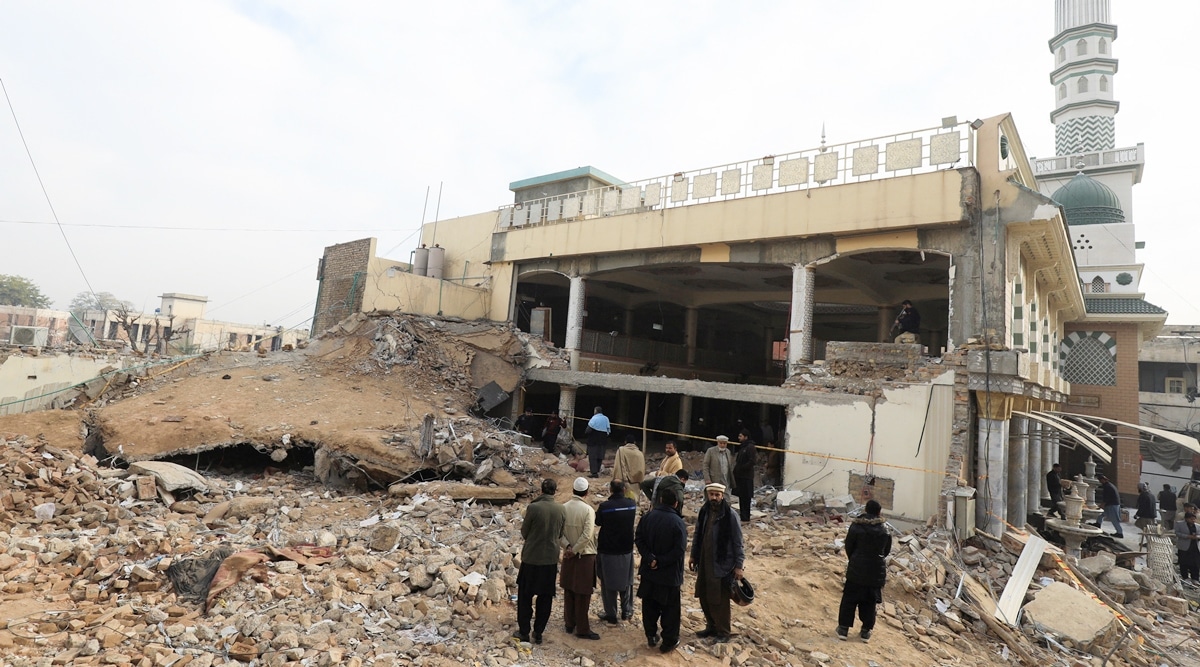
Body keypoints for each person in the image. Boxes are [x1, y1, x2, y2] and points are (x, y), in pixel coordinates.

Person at [688, 483, 745, 643]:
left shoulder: (730, 515)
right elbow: (698, 534)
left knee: (719, 599)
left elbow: (737, 542)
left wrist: (739, 565)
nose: (714, 498)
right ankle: (711, 627)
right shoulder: (704, 511)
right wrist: (693, 555)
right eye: (711, 494)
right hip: (705, 561)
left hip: (722, 564)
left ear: (722, 496)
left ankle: (723, 632)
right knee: (704, 595)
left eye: (717, 495)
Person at [636, 487, 688, 654]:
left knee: (649, 606)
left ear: (659, 500)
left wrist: (650, 559)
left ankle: (651, 635)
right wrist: (661, 561)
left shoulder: (647, 518)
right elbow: (679, 550)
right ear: (676, 503)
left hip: (649, 572)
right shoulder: (677, 522)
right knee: (670, 610)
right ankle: (669, 641)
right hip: (669, 574)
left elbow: (639, 539)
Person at [515, 479, 566, 644]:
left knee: (525, 597)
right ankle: (538, 632)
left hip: (531, 558)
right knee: (545, 598)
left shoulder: (533, 507)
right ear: (555, 491)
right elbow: (560, 534)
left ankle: (524, 631)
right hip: (550, 559)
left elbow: (524, 532)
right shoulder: (561, 509)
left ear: (541, 490)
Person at [835, 499, 892, 642]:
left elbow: (849, 546)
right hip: (875, 572)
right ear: (879, 512)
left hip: (856, 569)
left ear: (866, 510)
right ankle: (866, 631)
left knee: (849, 598)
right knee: (870, 602)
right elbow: (886, 551)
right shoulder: (884, 529)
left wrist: (855, 559)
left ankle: (843, 629)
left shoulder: (856, 526)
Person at [561, 477, 600, 640]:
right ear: (587, 492)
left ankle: (569, 623)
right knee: (583, 593)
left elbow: (559, 533)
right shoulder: (588, 510)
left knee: (569, 589)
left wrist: (568, 548)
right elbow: (587, 535)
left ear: (573, 490)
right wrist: (576, 550)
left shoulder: (563, 508)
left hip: (569, 554)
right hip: (585, 556)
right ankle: (582, 628)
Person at [596, 480, 637, 625]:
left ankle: (611, 613)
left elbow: (598, 522)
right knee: (627, 581)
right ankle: (627, 610)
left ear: (610, 490)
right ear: (624, 489)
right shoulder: (631, 505)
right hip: (626, 548)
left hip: (608, 549)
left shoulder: (605, 507)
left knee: (607, 583)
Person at [733, 429, 757, 523]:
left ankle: (746, 517)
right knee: (741, 497)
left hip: (746, 477)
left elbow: (752, 461)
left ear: (746, 437)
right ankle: (743, 516)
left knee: (746, 498)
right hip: (740, 476)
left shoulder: (750, 447)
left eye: (741, 436)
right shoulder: (743, 447)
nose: (739, 438)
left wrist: (742, 468)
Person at [613, 434, 646, 500]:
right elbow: (642, 469)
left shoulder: (621, 450)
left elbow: (618, 466)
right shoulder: (640, 454)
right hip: (636, 483)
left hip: (623, 483)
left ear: (625, 442)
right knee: (634, 502)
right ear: (635, 442)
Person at [1092, 474, 1124, 539]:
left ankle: (1119, 533)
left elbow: (1106, 498)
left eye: (1100, 480)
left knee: (1114, 519)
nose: (1100, 482)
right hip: (1113, 504)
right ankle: (1098, 524)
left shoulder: (1107, 487)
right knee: (1101, 514)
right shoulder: (1110, 485)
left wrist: (1101, 505)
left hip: (1112, 505)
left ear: (1103, 480)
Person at [585, 407, 611, 478]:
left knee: (593, 457)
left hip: (593, 441)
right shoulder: (606, 418)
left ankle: (594, 473)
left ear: (595, 411)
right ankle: (597, 470)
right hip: (603, 441)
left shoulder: (594, 418)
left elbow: (588, 430)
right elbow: (608, 431)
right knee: (600, 456)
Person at [1175, 512, 1200, 582]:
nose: (1193, 521)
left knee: (1195, 563)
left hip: (1195, 547)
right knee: (1183, 562)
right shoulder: (1179, 524)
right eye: (1191, 519)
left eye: (1194, 519)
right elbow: (1177, 533)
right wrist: (1187, 536)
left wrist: (1197, 537)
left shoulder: (1197, 526)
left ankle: (1195, 578)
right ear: (1187, 519)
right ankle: (1185, 577)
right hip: (1184, 547)